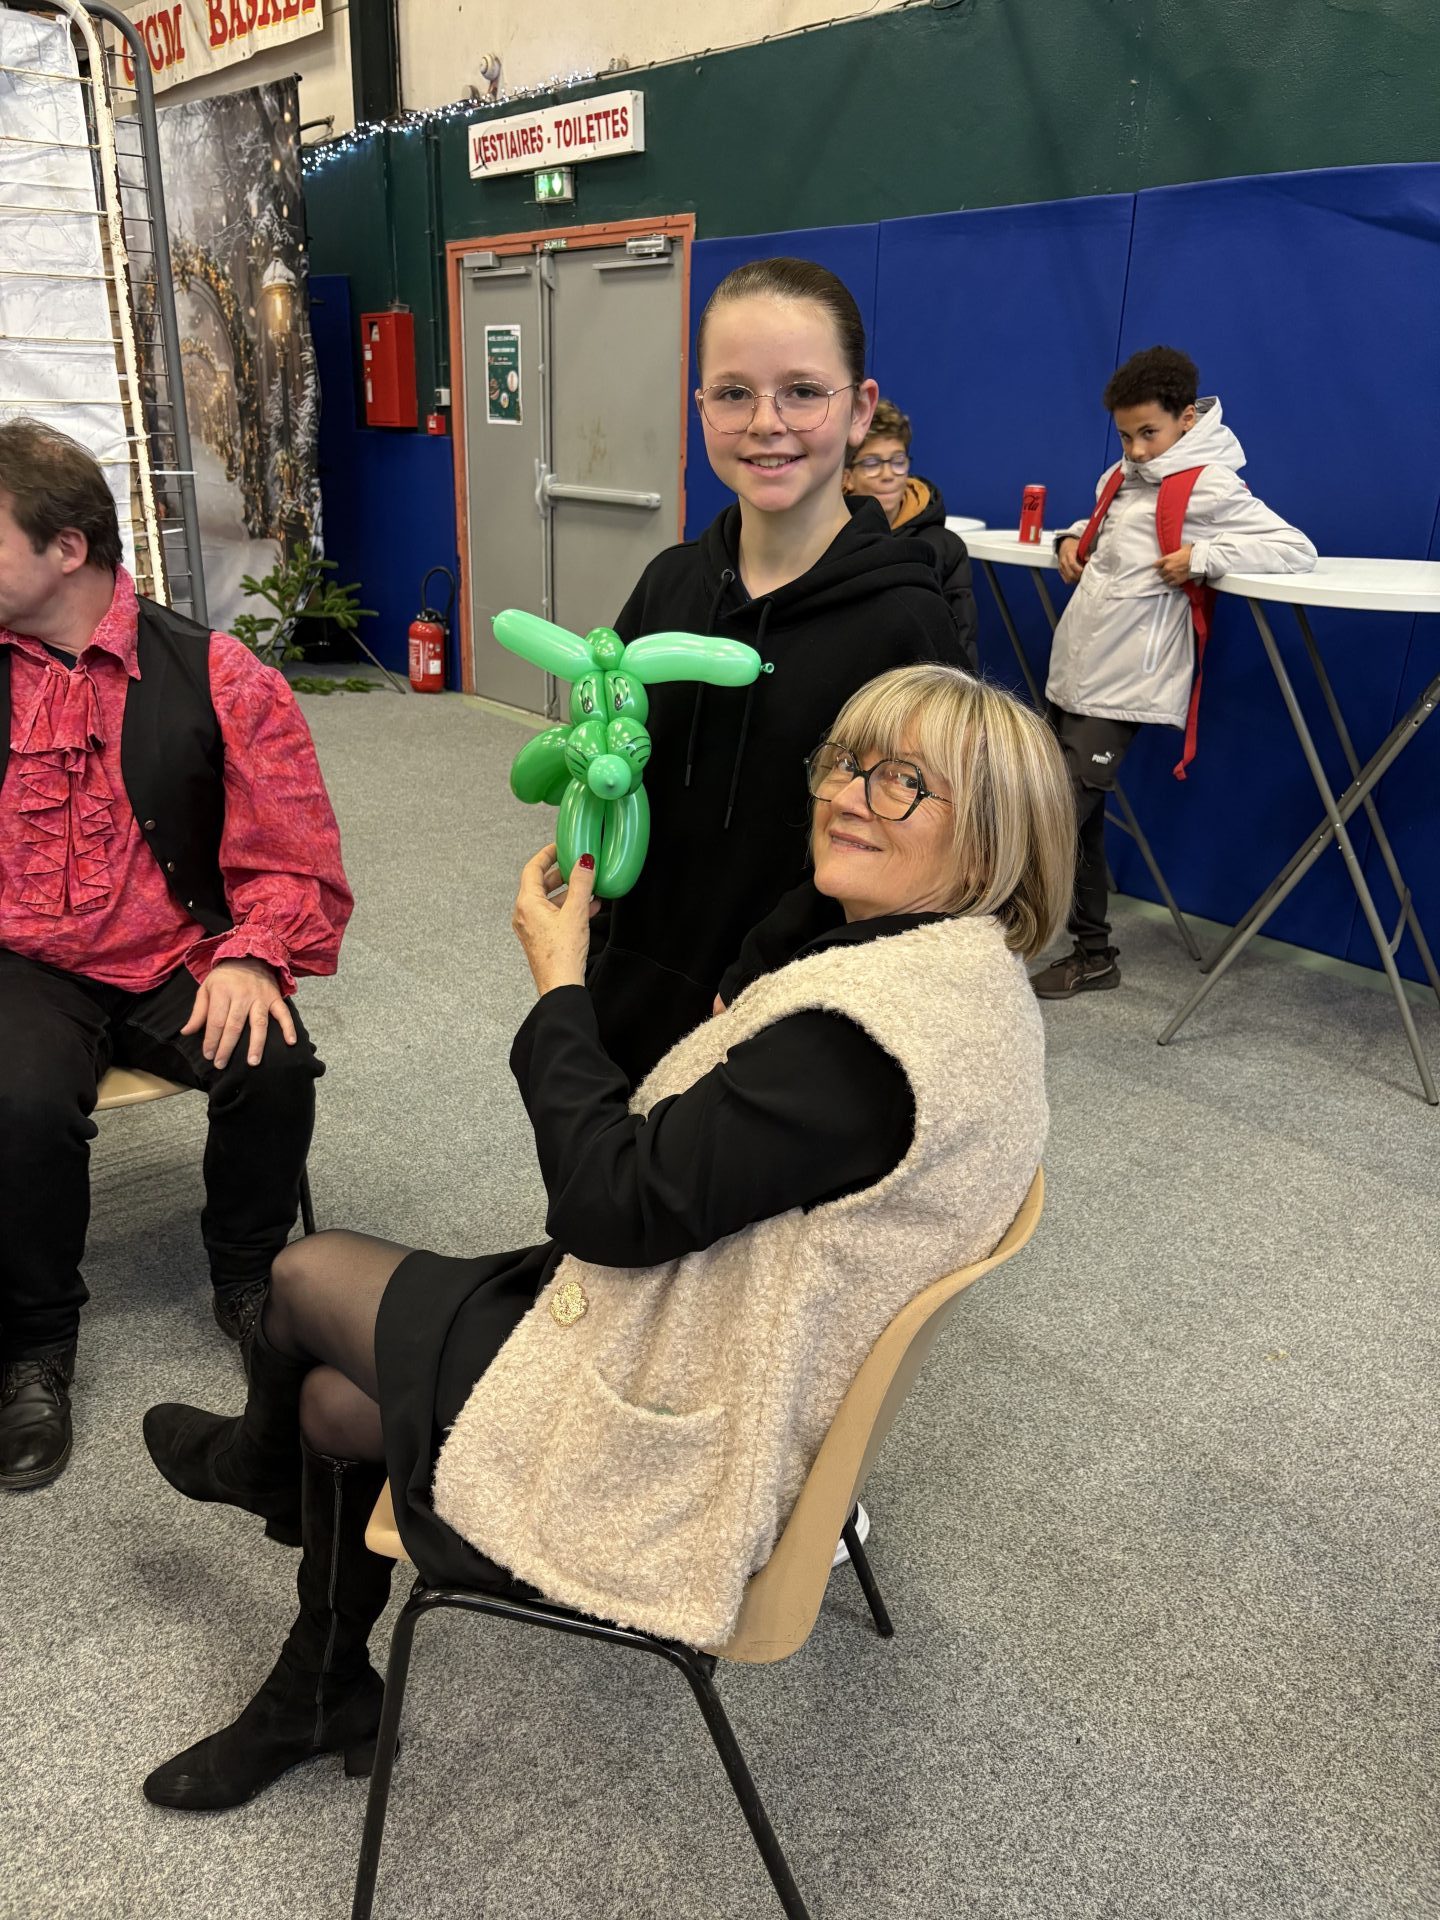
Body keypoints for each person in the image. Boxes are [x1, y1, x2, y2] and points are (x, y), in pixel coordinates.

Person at [138, 662, 1073, 1812]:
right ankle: (319, 1678)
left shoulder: (858, 1048)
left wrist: (559, 984)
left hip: (681, 1414)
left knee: (300, 1276)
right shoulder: (960, 982)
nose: (846, 794)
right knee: (334, 1402)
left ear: (989, 835)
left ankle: (256, 1470)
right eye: (845, 763)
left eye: (901, 783)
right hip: (717, 1338)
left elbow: (608, 1206)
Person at [0, 419, 351, 1492]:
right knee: (19, 1102)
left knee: (272, 1061)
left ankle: (248, 1285)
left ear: (67, 548)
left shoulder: (217, 671)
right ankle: (34, 1346)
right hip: (25, 960)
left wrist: (252, 954)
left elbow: (292, 848)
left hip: (177, 947)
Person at [589, 257, 967, 1087]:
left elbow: (921, 856)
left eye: (802, 391)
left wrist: (768, 968)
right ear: (701, 409)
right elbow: (613, 756)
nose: (767, 422)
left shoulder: (906, 622)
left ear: (859, 410)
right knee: (598, 1160)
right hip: (630, 979)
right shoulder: (668, 584)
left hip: (783, 1015)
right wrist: (589, 894)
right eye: (733, 393)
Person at [1033, 345, 1316, 999]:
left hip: (1127, 681)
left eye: (1149, 433)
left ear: (1188, 418)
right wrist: (1071, 539)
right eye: (1125, 436)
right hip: (1076, 666)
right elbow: (1112, 530)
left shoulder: (1207, 482)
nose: (1136, 449)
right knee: (1079, 821)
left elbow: (1294, 548)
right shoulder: (1121, 476)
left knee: (1048, 816)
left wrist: (1204, 556)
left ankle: (977, 941)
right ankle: (1093, 955)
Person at [843, 396, 979, 671]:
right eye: (872, 463)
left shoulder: (944, 547)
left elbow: (962, 642)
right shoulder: (827, 540)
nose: (888, 474)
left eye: (898, 460)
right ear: (846, 476)